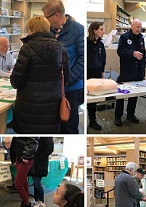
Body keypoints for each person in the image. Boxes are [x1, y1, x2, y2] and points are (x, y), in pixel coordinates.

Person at [10, 16, 69, 134]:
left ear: (33, 30)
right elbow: (66, 78)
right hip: (52, 106)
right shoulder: (60, 48)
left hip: (29, 108)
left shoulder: (27, 48)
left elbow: (16, 81)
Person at [42, 0, 84, 134]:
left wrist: (69, 79)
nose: (44, 20)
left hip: (71, 88)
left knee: (69, 126)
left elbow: (82, 59)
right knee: (52, 126)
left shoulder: (78, 30)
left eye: (46, 17)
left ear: (56, 15)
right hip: (51, 89)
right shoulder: (45, 30)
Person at [114, 18, 146, 127]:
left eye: (140, 27)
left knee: (134, 94)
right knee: (121, 94)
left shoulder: (141, 38)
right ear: (131, 26)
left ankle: (130, 114)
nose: (138, 29)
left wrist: (143, 68)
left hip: (138, 72)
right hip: (126, 70)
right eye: (137, 26)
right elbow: (120, 51)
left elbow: (143, 54)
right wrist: (132, 53)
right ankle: (118, 116)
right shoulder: (124, 37)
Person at [13, 137, 39, 207]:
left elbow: (33, 141)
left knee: (18, 184)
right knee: (23, 182)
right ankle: (23, 206)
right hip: (20, 156)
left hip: (25, 157)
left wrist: (26, 155)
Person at [87, 22, 106, 131]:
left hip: (97, 73)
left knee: (94, 98)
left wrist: (102, 71)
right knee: (88, 98)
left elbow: (103, 58)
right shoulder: (86, 43)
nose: (103, 31)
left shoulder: (101, 44)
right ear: (95, 30)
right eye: (101, 29)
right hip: (88, 73)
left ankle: (92, 121)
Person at [29, 137, 54, 207]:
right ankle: (36, 200)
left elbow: (49, 149)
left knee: (37, 183)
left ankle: (42, 202)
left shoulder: (47, 138)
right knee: (35, 183)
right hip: (34, 163)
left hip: (40, 162)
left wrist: (39, 157)